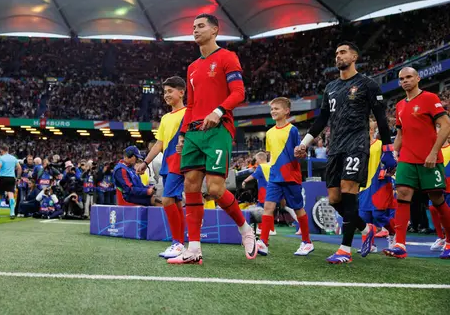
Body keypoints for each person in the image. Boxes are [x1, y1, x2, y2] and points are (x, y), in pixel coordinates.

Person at [294, 42, 396, 264]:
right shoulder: (330, 87)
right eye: (336, 54)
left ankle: (345, 250)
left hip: (357, 145)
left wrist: (388, 149)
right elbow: (322, 120)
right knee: (334, 199)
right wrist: (304, 143)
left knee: (349, 191)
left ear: (355, 56)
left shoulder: (367, 84)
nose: (338, 56)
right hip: (335, 147)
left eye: (343, 52)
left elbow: (381, 118)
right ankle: (366, 228)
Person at [168, 14, 256, 265]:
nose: (195, 30)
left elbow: (239, 93)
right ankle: (193, 249)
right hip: (194, 132)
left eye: (201, 26)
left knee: (216, 189)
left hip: (218, 129)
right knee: (191, 185)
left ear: (215, 30)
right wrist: (183, 134)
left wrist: (218, 111)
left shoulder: (228, 57)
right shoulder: (192, 67)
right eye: (193, 27)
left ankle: (245, 229)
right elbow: (192, 104)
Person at [383, 67, 450, 259]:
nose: (405, 81)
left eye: (409, 77)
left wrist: (434, 152)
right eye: (402, 79)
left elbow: (446, 125)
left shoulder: (429, 98)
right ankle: (400, 245)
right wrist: (393, 153)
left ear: (418, 78)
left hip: (429, 159)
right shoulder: (399, 105)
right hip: (407, 159)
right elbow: (401, 134)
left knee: (437, 200)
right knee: (403, 195)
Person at [136, 76, 187, 259]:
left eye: (170, 91)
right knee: (176, 202)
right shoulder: (165, 117)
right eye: (164, 91)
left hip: (181, 163)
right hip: (168, 163)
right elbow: (159, 144)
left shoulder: (189, 113)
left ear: (181, 92)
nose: (166, 95)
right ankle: (180, 242)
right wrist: (145, 162)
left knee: (166, 200)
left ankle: (178, 243)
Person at [255, 98, 314, 256]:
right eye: (272, 109)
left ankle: (307, 242)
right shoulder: (269, 133)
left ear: (287, 111)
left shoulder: (293, 130)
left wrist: (301, 154)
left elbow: (298, 153)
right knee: (268, 207)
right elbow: (272, 155)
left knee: (298, 208)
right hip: (275, 178)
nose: (273, 111)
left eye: (277, 109)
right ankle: (263, 242)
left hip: (291, 176)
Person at [358, 118, 397, 252]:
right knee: (364, 216)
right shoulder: (358, 147)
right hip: (363, 186)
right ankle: (370, 245)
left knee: (379, 215)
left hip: (379, 184)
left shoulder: (381, 144)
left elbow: (392, 161)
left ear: (371, 130)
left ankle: (393, 233)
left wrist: (388, 171)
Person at [430, 137, 450, 251]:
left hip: (448, 185)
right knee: (432, 208)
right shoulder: (433, 150)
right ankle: (440, 237)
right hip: (436, 184)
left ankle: (448, 238)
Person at [0, 145, 22, 219]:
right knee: (11, 195)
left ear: (2, 150)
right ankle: (12, 213)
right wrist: (18, 178)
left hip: (2, 178)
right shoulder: (13, 158)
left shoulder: (1, 158)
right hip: (11, 178)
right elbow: (19, 168)